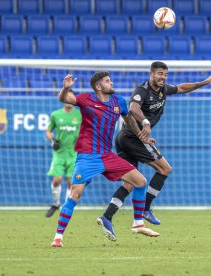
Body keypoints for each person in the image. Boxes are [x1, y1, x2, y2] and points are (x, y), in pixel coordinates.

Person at [101, 61, 211, 227]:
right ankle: (145, 209)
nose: (163, 77)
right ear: (151, 74)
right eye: (159, 74)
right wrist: (146, 122)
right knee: (165, 169)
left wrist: (203, 83)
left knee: (130, 182)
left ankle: (107, 216)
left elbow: (181, 88)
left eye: (165, 74)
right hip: (134, 137)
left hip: (124, 138)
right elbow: (133, 108)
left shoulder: (163, 90)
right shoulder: (142, 90)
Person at [51, 72, 159, 248]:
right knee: (75, 194)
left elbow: (128, 117)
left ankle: (138, 223)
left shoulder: (119, 102)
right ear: (99, 87)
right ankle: (58, 237)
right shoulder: (86, 99)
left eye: (111, 79)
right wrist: (65, 88)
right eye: (108, 81)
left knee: (140, 181)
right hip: (87, 156)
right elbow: (64, 98)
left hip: (107, 156)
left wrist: (141, 135)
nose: (112, 82)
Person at [45, 89, 82, 218]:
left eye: (72, 97)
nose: (69, 100)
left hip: (74, 153)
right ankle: (56, 203)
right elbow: (48, 131)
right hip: (59, 153)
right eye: (67, 96)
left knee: (70, 182)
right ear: (64, 99)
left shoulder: (79, 115)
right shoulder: (56, 115)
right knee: (57, 180)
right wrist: (52, 140)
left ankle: (66, 208)